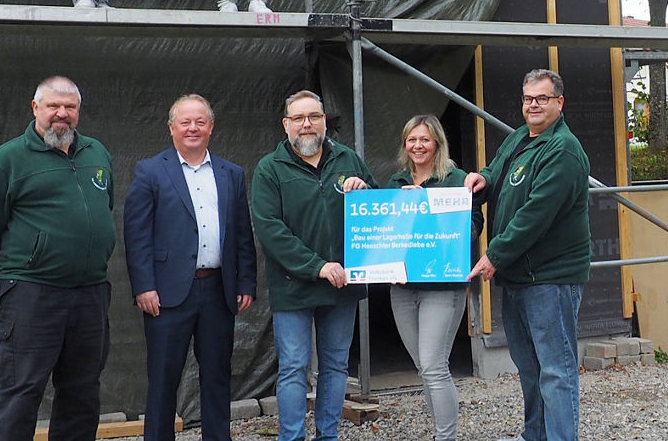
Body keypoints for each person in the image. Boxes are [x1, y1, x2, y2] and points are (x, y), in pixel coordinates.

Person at [0, 76, 115, 441]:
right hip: (30, 297)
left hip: (89, 295)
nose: (61, 114)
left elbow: (104, 209)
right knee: (19, 395)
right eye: (53, 106)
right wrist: (21, 270)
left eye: (70, 107)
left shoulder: (98, 154)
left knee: (82, 394)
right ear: (36, 109)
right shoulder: (6, 160)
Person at [465, 69, 591, 441]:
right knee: (530, 367)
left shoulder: (563, 150)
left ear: (559, 103)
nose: (533, 105)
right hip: (521, 277)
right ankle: (534, 434)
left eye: (542, 98)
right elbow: (499, 167)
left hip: (550, 279)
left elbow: (536, 214)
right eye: (528, 98)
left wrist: (494, 255)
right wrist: (484, 178)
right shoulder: (521, 137)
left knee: (556, 369)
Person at [123, 94, 257, 441]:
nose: (193, 128)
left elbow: (243, 232)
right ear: (172, 128)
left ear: (211, 127)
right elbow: (136, 234)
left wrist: (246, 283)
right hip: (166, 294)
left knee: (216, 377)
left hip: (218, 290)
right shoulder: (150, 171)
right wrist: (143, 286)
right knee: (164, 379)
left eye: (200, 121)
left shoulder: (232, 173)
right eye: (185, 122)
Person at [250, 90, 373, 441]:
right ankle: (291, 437)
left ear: (324, 122)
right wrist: (317, 266)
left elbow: (379, 208)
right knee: (293, 368)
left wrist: (364, 189)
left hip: (343, 284)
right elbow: (271, 230)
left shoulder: (348, 159)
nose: (307, 124)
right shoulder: (269, 169)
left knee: (335, 366)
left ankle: (327, 436)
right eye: (299, 118)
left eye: (314, 117)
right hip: (294, 286)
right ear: (286, 125)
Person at [387, 114, 484, 441]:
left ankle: (445, 437)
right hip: (402, 289)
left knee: (432, 366)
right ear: (405, 144)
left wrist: (428, 210)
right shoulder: (397, 183)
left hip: (443, 286)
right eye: (412, 140)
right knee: (425, 368)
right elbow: (385, 236)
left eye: (424, 139)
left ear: (438, 144)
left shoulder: (457, 180)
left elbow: (473, 228)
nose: (418, 146)